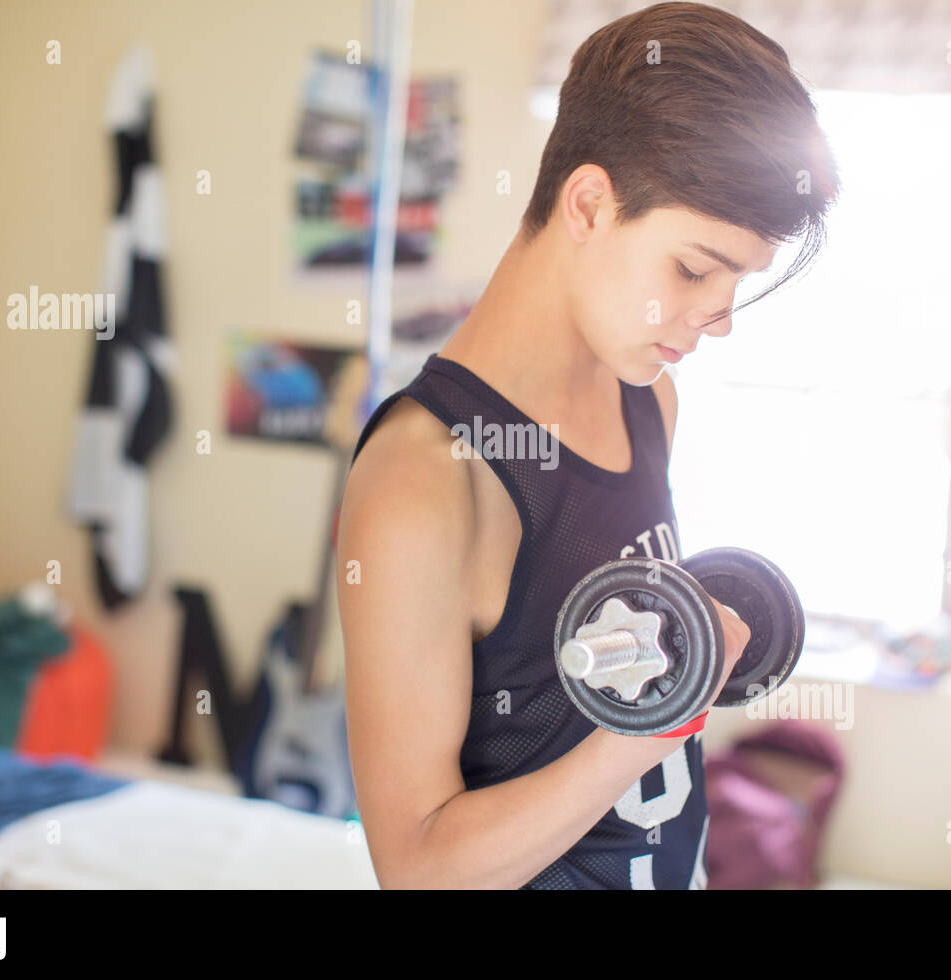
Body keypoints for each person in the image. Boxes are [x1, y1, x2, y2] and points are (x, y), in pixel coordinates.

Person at [336, 0, 840, 889]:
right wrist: (657, 726)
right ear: (589, 204)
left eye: (738, 281)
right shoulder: (423, 481)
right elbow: (418, 869)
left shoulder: (650, 403)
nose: (719, 319)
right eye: (694, 268)